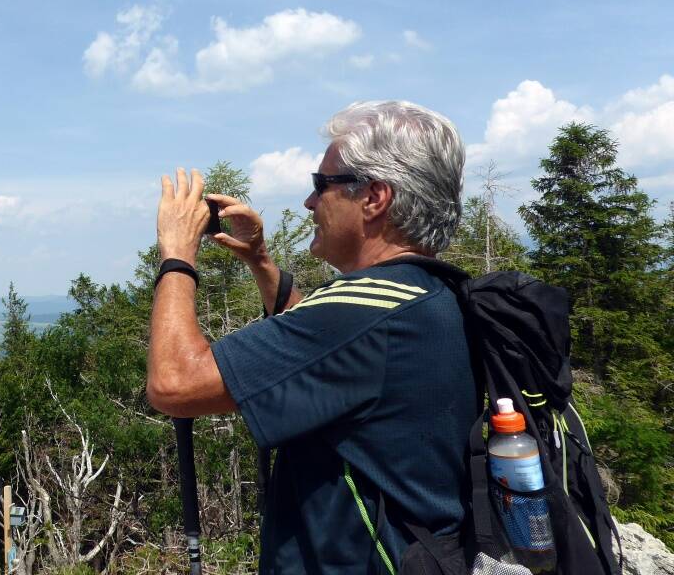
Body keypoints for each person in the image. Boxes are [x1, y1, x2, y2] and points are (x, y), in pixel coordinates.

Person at [147, 101, 477, 575]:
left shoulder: (365, 312)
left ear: (375, 197)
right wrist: (261, 261)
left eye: (322, 186)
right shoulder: (429, 294)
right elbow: (333, 353)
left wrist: (177, 253)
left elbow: (174, 384)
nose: (309, 202)